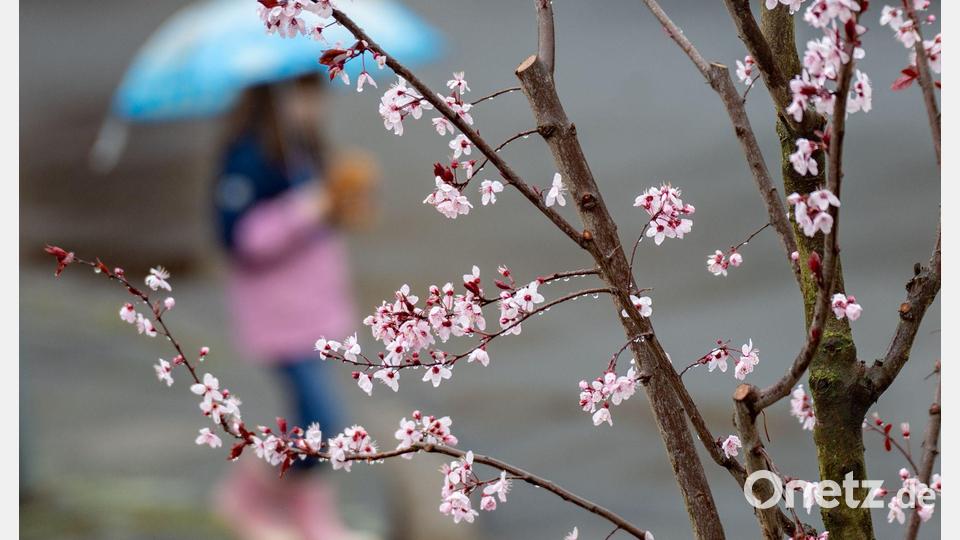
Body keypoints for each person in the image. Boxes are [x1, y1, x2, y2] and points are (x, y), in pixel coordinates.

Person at [212, 74, 377, 540]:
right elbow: (241, 238)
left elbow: (315, 224)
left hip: (314, 309)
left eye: (317, 89)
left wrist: (340, 204)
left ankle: (296, 513)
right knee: (323, 422)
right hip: (279, 316)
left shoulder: (303, 147)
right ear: (273, 93)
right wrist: (308, 208)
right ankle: (251, 497)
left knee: (311, 420)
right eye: (304, 90)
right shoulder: (248, 157)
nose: (316, 102)